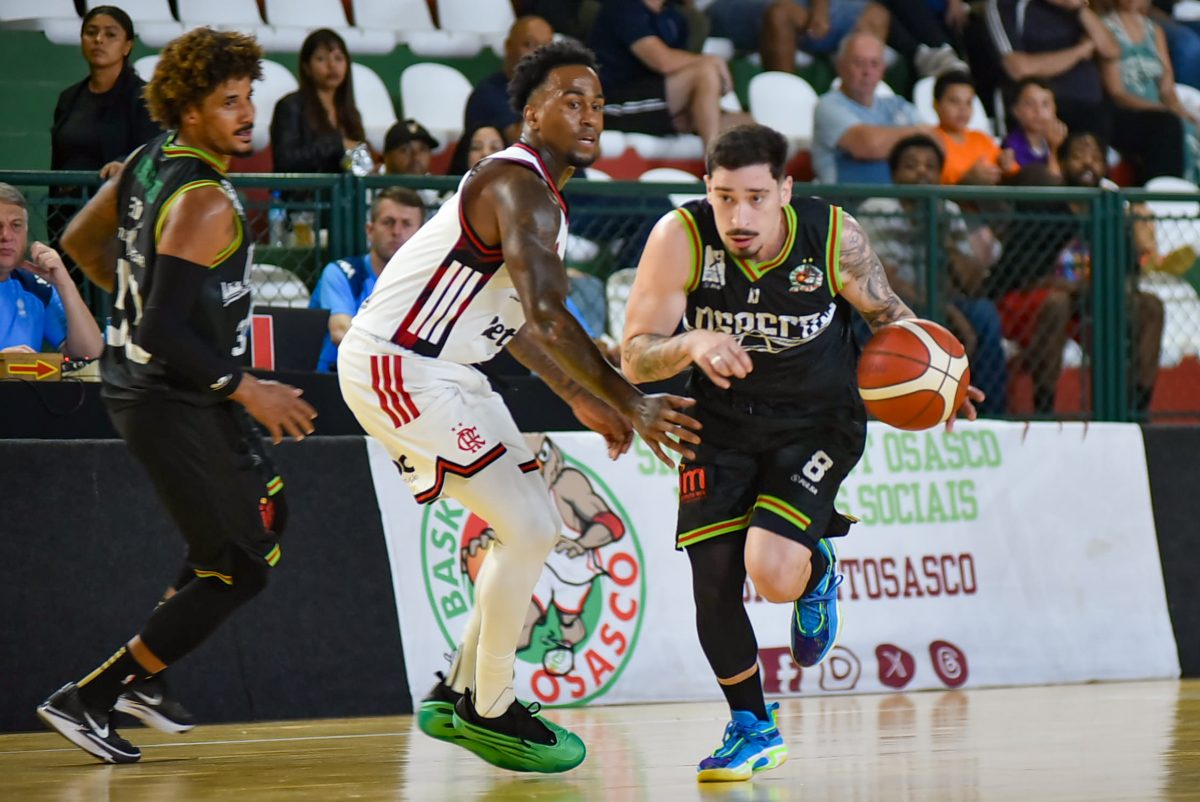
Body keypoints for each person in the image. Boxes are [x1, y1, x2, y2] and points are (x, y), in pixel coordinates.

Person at [337, 40, 700, 773]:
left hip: (446, 370)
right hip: (400, 365)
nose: (591, 116)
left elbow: (522, 327)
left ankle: (458, 690)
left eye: (598, 105)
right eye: (573, 101)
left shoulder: (540, 196)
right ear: (531, 114)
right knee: (531, 526)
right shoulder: (517, 184)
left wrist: (581, 395)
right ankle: (491, 705)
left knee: (534, 524)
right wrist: (631, 401)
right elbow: (550, 316)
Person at [619, 123, 981, 781]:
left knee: (772, 573)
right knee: (713, 581)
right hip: (718, 423)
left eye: (756, 197)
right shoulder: (681, 238)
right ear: (706, 188)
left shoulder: (832, 235)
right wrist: (692, 343)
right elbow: (636, 356)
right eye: (725, 197)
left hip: (817, 421)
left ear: (785, 190)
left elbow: (890, 319)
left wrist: (940, 376)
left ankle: (814, 571)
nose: (740, 216)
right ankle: (752, 726)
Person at [37, 28, 317, 764]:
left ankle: (148, 677)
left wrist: (132, 301)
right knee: (241, 567)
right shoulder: (205, 200)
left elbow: (80, 240)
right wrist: (248, 388)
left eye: (248, 96)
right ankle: (93, 695)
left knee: (265, 512)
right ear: (190, 113)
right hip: (171, 394)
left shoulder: (146, 158)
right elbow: (161, 327)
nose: (247, 113)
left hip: (162, 382)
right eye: (228, 102)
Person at [994, 131, 1164, 413]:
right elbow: (1021, 275)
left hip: (1091, 300)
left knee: (1151, 307)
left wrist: (1112, 290)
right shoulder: (1045, 208)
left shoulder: (1110, 213)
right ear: (1061, 163)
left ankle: (1136, 407)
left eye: (1096, 158)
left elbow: (1127, 274)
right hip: (1036, 300)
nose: (1088, 163)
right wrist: (1071, 287)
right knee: (1057, 302)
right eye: (1078, 156)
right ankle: (1044, 408)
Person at [857, 135, 1008, 412]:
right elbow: (880, 280)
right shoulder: (877, 209)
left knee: (984, 314)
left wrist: (945, 238)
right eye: (911, 166)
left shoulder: (947, 209)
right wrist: (944, 311)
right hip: (892, 305)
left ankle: (990, 413)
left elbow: (972, 284)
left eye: (930, 167)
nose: (921, 172)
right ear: (895, 174)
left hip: (945, 301)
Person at [48, 5, 159, 248]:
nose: (99, 40)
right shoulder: (69, 98)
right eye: (91, 32)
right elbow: (58, 162)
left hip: (118, 223)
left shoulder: (145, 98)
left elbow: (154, 152)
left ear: (127, 46)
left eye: (110, 34)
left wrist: (125, 163)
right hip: (66, 219)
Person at [588, 0, 750, 147]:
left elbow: (683, 69)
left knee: (746, 126)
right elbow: (662, 62)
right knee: (705, 71)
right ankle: (713, 162)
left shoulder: (673, 16)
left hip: (660, 104)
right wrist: (712, 60)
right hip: (617, 104)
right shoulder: (623, 7)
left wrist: (690, 110)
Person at [311, 187, 425, 372]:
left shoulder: (427, 282)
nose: (397, 231)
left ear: (421, 235)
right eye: (388, 222)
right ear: (370, 230)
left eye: (406, 224)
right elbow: (341, 332)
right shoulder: (342, 273)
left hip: (400, 379)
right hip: (336, 378)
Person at [1099, 0, 1200, 183]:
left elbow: (1166, 88)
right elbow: (1116, 93)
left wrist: (1184, 114)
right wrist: (1161, 110)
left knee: (1190, 129)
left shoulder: (1155, 31)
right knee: (1168, 127)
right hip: (1127, 111)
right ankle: (1166, 195)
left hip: (1161, 111)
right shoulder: (1105, 27)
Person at [812, 32, 933, 183]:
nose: (867, 72)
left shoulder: (897, 105)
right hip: (846, 195)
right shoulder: (828, 106)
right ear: (840, 66)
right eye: (859, 63)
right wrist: (917, 133)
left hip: (899, 194)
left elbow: (933, 140)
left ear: (883, 69)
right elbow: (868, 146)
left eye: (874, 64)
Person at [0, 183, 102, 358]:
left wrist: (64, 284)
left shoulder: (34, 287)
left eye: (16, 225)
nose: (6, 236)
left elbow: (90, 354)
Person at [270, 28, 370, 174]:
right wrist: (337, 144)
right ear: (306, 67)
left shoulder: (351, 112)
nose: (332, 65)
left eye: (338, 58)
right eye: (321, 59)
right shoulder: (290, 106)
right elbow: (285, 161)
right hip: (307, 188)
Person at [464, 15, 555, 143]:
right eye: (529, 44)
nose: (540, 54)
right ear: (509, 46)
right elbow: (522, 140)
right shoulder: (489, 92)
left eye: (547, 47)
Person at [931, 70, 1017, 185]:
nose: (963, 109)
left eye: (968, 103)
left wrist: (1007, 165)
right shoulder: (931, 141)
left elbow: (1011, 172)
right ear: (936, 105)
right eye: (954, 102)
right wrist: (967, 181)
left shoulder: (981, 139)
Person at [1001, 77, 1070, 173]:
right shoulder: (1011, 145)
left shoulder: (1064, 141)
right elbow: (1048, 179)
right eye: (1030, 104)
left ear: (1055, 108)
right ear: (1015, 110)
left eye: (1045, 104)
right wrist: (1053, 150)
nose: (1038, 111)